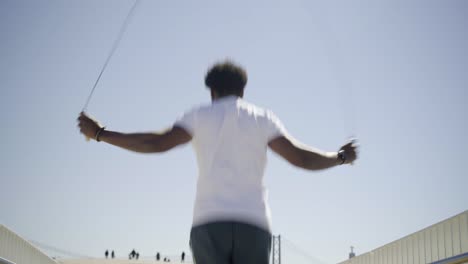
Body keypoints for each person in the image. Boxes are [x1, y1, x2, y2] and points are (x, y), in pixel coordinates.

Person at [78, 60, 358, 264]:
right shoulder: (261, 118)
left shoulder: (199, 116)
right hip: (253, 224)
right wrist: (341, 157)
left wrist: (100, 133)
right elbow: (300, 158)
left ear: (211, 91)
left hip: (209, 224)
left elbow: (155, 143)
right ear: (243, 90)